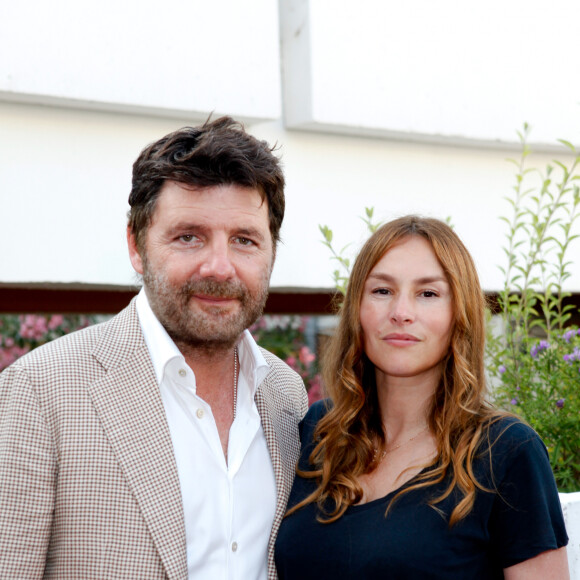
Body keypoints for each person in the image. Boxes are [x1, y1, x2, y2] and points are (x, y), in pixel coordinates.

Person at [0, 116, 308, 579]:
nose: (220, 267)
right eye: (189, 237)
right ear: (136, 245)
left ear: (271, 253)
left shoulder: (286, 394)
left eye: (244, 241)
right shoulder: (40, 392)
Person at [275, 216, 569, 579]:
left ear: (459, 315)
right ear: (357, 310)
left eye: (428, 294)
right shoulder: (319, 432)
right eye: (382, 291)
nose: (401, 313)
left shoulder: (505, 452)